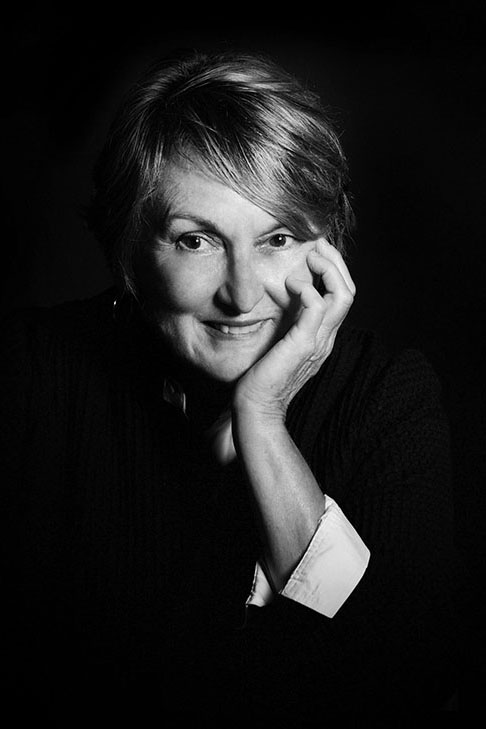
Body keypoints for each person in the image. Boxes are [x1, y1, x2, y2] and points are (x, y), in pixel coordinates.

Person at [1, 48, 457, 723]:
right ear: (129, 253)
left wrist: (261, 420)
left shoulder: (385, 396)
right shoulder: (33, 373)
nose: (242, 295)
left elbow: (402, 682)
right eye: (196, 241)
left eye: (277, 238)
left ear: (326, 246)